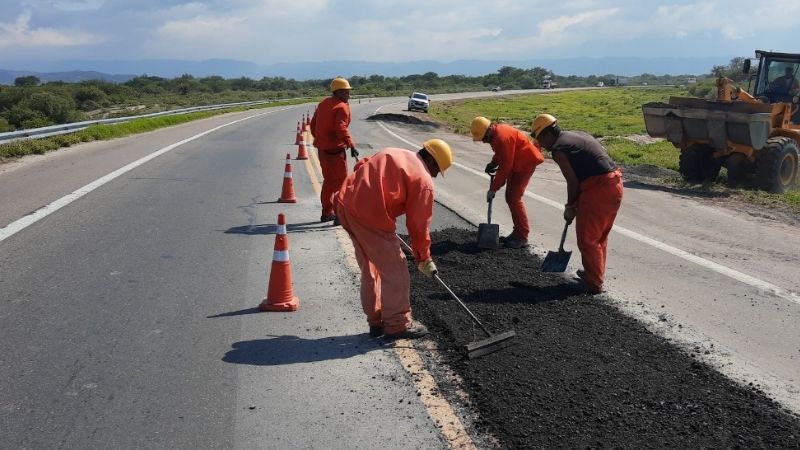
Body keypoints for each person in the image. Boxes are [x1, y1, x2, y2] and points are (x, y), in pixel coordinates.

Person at [334, 139, 453, 339]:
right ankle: (398, 324)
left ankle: (376, 321)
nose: (434, 176)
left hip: (346, 203)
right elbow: (418, 224)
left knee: (370, 267)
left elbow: (361, 165)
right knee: (395, 267)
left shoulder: (396, 152)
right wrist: (423, 257)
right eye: (436, 171)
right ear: (432, 162)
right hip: (369, 215)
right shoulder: (423, 180)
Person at [531, 114, 623, 295]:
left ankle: (593, 283)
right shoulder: (576, 135)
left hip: (598, 189)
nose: (541, 144)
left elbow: (572, 182)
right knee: (599, 237)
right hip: (615, 185)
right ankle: (594, 273)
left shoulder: (559, 148)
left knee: (587, 239)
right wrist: (576, 204)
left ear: (548, 133)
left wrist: (569, 206)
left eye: (540, 138)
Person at [470, 116, 545, 248]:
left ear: (488, 130)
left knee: (514, 198)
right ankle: (517, 233)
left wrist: (493, 189)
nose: (483, 142)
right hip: (518, 162)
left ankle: (522, 236)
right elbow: (501, 154)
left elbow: (505, 167)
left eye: (483, 138)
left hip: (525, 163)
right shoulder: (496, 135)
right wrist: (493, 163)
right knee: (510, 197)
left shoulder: (502, 137)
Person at [310, 77, 359, 223]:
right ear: (337, 92)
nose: (348, 95)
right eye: (345, 92)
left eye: (348, 92)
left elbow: (313, 125)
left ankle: (326, 213)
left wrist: (321, 139)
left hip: (323, 150)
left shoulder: (323, 103)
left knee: (328, 181)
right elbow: (341, 128)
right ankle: (339, 214)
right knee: (341, 183)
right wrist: (351, 144)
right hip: (335, 152)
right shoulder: (342, 107)